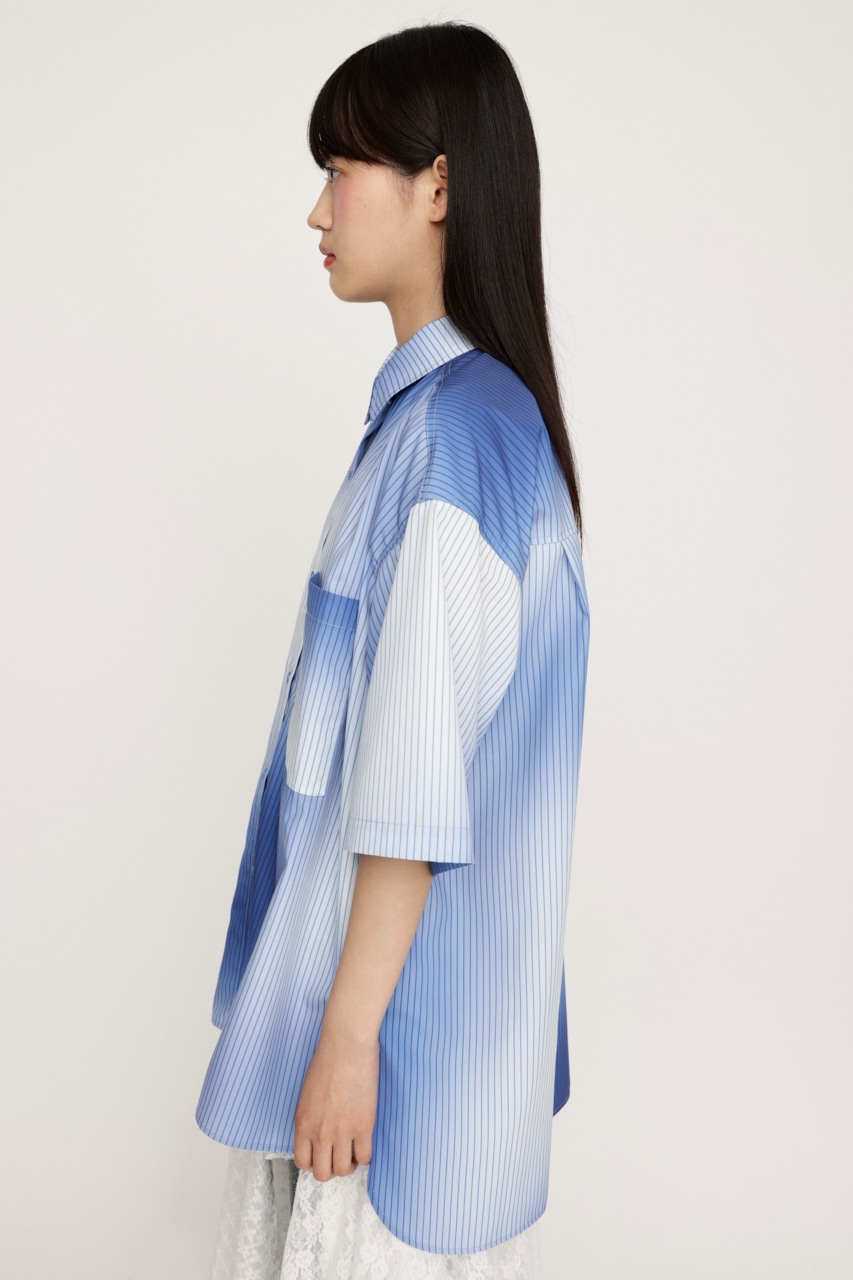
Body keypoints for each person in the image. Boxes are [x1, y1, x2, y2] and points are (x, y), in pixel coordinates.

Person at [196, 20, 591, 1280]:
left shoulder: (453, 442)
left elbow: (413, 791)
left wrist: (348, 1036)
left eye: (342, 168)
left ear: (438, 185)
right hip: (409, 1047)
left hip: (396, 1074)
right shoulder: (445, 425)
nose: (317, 211)